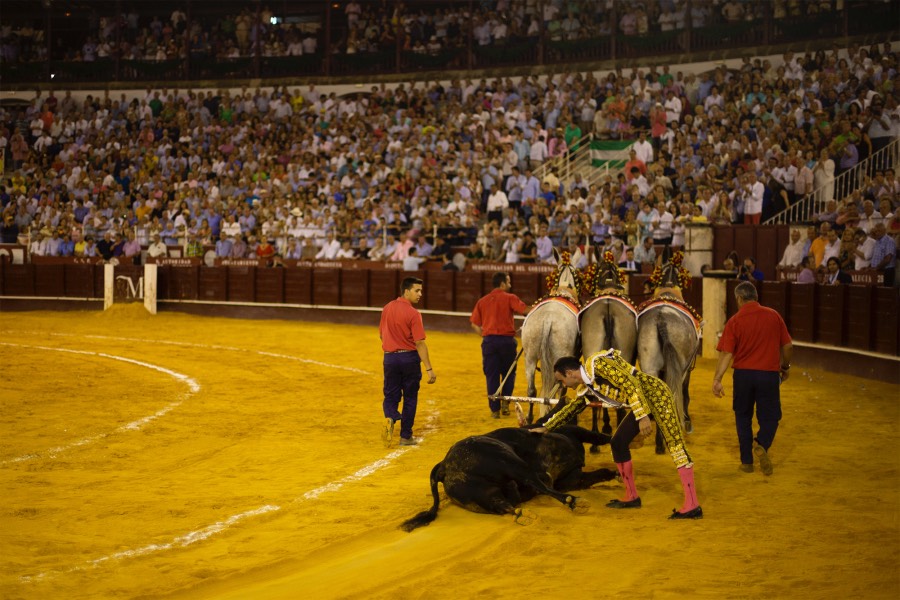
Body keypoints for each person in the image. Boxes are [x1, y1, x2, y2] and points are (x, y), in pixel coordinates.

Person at [552, 351, 702, 520]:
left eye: (561, 380)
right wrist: (546, 428)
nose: (563, 385)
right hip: (642, 401)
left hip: (657, 395)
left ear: (570, 373)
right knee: (618, 443)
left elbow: (630, 383)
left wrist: (642, 415)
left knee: (675, 445)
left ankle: (693, 505)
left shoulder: (598, 364)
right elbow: (571, 409)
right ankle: (631, 497)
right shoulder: (586, 385)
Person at [712, 282, 793, 475]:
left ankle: (746, 462)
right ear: (755, 296)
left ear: (739, 299)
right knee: (771, 416)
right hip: (768, 375)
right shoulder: (773, 316)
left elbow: (726, 353)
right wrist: (785, 367)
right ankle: (762, 443)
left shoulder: (735, 320)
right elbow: (788, 347)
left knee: (743, 416)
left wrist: (717, 379)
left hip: (743, 376)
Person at [380, 277, 436, 447]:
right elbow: (419, 342)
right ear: (406, 291)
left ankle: (390, 416)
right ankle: (405, 436)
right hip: (409, 359)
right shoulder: (414, 314)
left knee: (390, 394)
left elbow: (382, 335)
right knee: (410, 397)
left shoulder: (387, 308)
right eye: (417, 290)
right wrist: (429, 368)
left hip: (389, 358)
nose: (420, 294)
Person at [470, 272, 529, 418]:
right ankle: (505, 403)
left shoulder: (482, 301)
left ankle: (494, 410)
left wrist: (485, 335)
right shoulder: (510, 298)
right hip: (507, 342)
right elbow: (526, 311)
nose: (510, 284)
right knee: (509, 374)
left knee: (492, 375)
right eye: (508, 282)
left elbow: (474, 324)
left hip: (489, 342)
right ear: (502, 284)